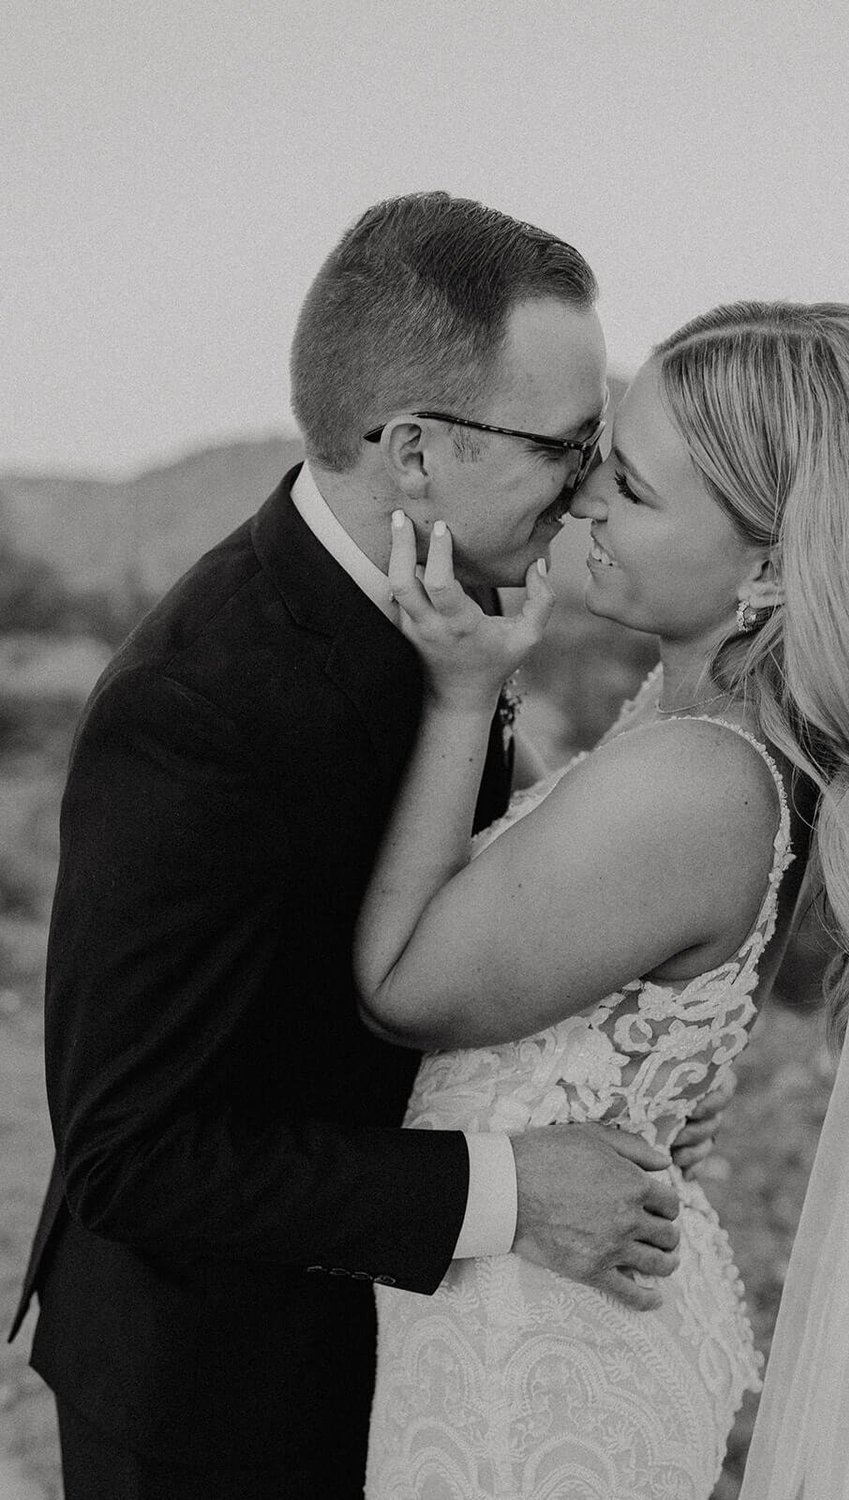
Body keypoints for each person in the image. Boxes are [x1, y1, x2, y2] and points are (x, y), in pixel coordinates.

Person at [8, 194, 728, 1499]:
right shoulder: (196, 707)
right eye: (565, 446)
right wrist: (509, 1185)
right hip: (221, 1399)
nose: (589, 486)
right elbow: (134, 1155)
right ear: (410, 451)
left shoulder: (458, 609)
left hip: (418, 1369)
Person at [354, 301, 849, 1498]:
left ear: (773, 564)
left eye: (628, 486)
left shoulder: (692, 779)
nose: (583, 502)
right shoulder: (691, 727)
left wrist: (460, 697)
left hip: (530, 1374)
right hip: (527, 1308)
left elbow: (400, 987)